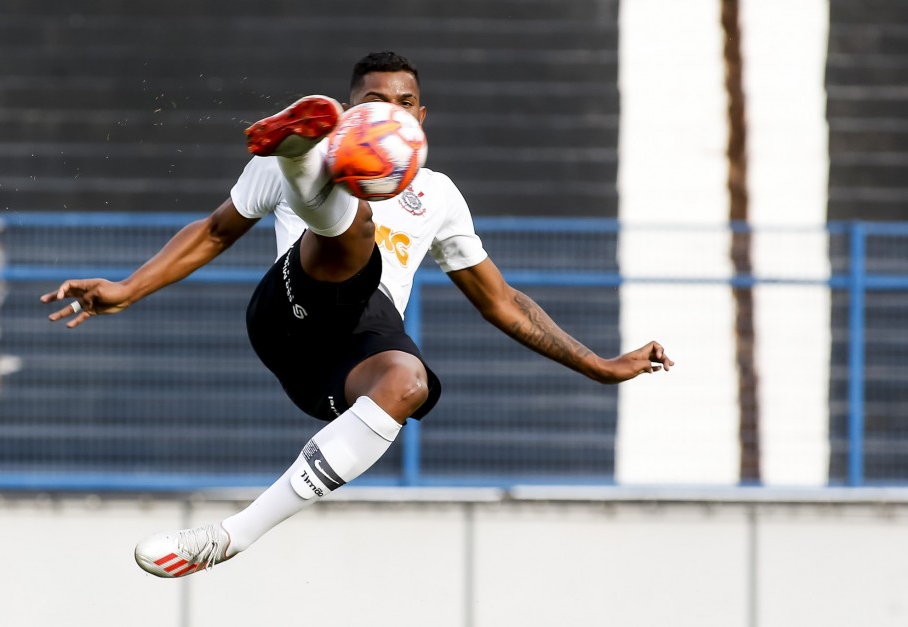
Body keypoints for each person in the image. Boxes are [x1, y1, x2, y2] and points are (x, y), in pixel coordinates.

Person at [41, 51, 674, 578]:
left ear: (421, 119)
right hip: (288, 312)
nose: (390, 112)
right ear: (349, 114)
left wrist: (599, 365)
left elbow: (501, 301)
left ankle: (230, 537)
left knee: (409, 380)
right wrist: (127, 288)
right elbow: (213, 231)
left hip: (348, 360)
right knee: (357, 232)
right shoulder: (277, 168)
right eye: (374, 101)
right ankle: (304, 165)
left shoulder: (440, 197)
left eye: (404, 103)